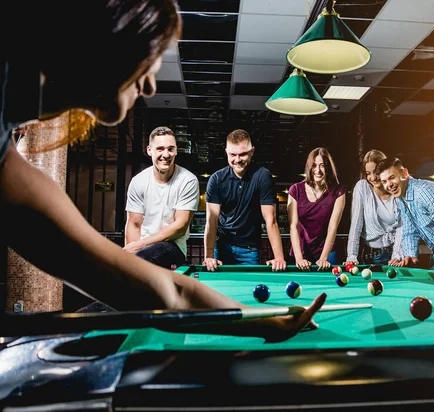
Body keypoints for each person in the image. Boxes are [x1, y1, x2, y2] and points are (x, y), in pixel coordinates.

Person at [0, 0, 325, 342]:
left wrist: (265, 322)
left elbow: (152, 288)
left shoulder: (8, 160)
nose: (152, 86)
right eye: (150, 58)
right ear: (112, 39)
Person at [203, 129, 287, 272]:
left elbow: (270, 220)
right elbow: (211, 221)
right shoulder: (216, 179)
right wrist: (208, 256)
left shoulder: (263, 176)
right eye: (232, 155)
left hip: (249, 249)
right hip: (222, 246)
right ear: (226, 152)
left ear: (252, 151)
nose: (237, 159)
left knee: (250, 290)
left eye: (242, 154)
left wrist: (279, 257)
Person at [124, 126, 199, 269]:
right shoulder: (138, 181)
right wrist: (130, 254)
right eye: (160, 149)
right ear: (149, 150)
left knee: (147, 256)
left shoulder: (188, 180)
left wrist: (141, 245)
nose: (166, 154)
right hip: (143, 249)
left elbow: (180, 227)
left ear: (176, 151)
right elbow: (134, 224)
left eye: (171, 149)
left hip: (172, 246)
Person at [287, 148, 346, 271]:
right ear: (309, 167)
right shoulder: (295, 190)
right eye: (314, 166)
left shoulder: (338, 191)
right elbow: (293, 226)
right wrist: (299, 258)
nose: (317, 170)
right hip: (300, 251)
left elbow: (332, 227)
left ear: (328, 168)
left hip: (327, 252)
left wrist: (324, 258)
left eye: (322, 166)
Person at [344, 150, 403, 267]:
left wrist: (397, 255)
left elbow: (401, 228)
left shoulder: (397, 190)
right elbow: (356, 225)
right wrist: (351, 256)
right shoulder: (362, 187)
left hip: (395, 257)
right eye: (368, 173)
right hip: (369, 256)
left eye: (375, 172)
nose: (372, 177)